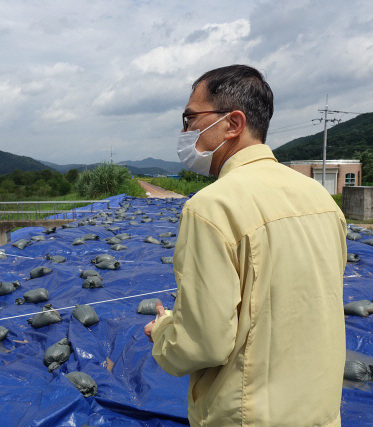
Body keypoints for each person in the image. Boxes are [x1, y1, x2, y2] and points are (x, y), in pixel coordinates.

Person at [144, 65, 347, 426]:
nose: (185, 131)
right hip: (321, 411)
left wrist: (163, 332)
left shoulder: (212, 207)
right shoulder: (321, 199)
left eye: (190, 118)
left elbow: (203, 342)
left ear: (233, 123)